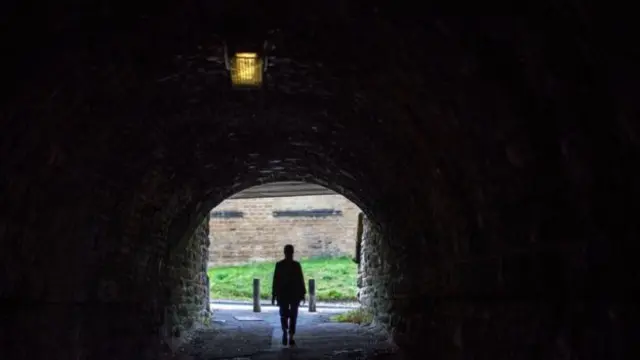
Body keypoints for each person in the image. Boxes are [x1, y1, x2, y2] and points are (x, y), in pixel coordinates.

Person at [271, 244, 306, 346]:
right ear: (292, 253)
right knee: (292, 316)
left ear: (284, 252)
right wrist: (303, 294)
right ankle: (290, 336)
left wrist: (274, 295)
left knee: (284, 315)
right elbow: (301, 280)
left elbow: (275, 281)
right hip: (294, 294)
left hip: (283, 294)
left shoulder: (280, 265)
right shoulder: (296, 265)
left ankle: (286, 332)